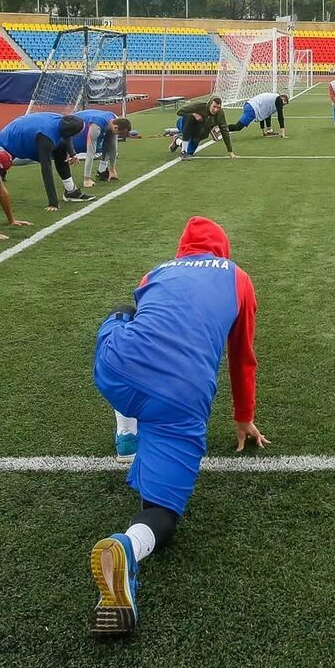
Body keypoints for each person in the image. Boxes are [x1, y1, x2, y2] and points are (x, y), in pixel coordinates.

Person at [89, 216, 267, 634]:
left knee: (124, 313)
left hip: (116, 370)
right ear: (223, 250)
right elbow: (242, 357)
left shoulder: (156, 271)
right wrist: (243, 418)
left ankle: (127, 431)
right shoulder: (238, 277)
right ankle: (127, 547)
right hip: (181, 397)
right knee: (161, 513)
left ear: (182, 251)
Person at [0, 112, 94, 210]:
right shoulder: (46, 137)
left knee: (61, 149)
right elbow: (46, 169)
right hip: (6, 145)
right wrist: (53, 203)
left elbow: (67, 135)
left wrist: (72, 153)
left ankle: (71, 191)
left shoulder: (63, 121)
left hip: (24, 138)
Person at [72, 109, 132, 188]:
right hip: (75, 124)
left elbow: (113, 147)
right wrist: (87, 179)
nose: (119, 135)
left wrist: (112, 169)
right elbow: (90, 153)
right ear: (116, 127)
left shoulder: (114, 118)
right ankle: (84, 178)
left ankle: (102, 172)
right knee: (87, 149)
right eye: (119, 133)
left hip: (91, 121)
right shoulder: (96, 126)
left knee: (110, 142)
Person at [169, 97, 238, 159]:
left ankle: (177, 141)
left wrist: (230, 151)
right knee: (189, 118)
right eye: (214, 106)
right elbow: (179, 112)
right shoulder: (199, 105)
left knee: (190, 151)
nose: (215, 110)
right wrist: (194, 114)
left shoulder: (220, 115)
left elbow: (224, 131)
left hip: (198, 134)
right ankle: (183, 152)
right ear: (209, 104)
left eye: (218, 108)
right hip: (184, 123)